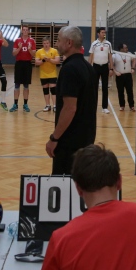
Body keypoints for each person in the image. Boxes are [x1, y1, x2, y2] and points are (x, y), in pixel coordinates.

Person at [45, 26, 97, 175]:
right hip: (87, 140)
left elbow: (70, 108)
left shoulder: (69, 69)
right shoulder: (89, 68)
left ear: (69, 43)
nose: (56, 44)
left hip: (69, 143)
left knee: (64, 183)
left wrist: (54, 138)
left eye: (58, 40)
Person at [12, 25, 37, 112]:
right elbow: (14, 53)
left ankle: (25, 104)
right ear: (22, 31)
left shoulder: (32, 41)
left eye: (27, 30)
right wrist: (19, 48)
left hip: (27, 64)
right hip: (19, 64)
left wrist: (29, 49)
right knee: (17, 85)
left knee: (26, 85)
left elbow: (34, 54)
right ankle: (15, 104)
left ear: (28, 31)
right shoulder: (17, 40)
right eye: (24, 30)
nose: (25, 31)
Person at [88, 27, 113, 114]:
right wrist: (89, 68)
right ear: (98, 33)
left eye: (104, 32)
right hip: (95, 67)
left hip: (105, 67)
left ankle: (104, 107)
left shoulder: (108, 44)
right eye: (102, 32)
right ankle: (93, 106)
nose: (104, 34)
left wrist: (111, 68)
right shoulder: (94, 44)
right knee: (95, 88)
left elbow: (110, 56)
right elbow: (91, 56)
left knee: (105, 87)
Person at [36, 36, 61, 112]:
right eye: (44, 43)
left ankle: (55, 105)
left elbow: (57, 61)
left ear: (50, 43)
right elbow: (37, 63)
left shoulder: (54, 51)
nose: (46, 45)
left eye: (47, 43)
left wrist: (49, 60)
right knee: (45, 90)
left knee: (53, 90)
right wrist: (43, 61)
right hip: (43, 74)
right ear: (42, 44)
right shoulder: (39, 52)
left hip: (52, 74)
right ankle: (47, 105)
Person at [112, 43, 136, 112]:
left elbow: (134, 59)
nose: (127, 49)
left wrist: (133, 68)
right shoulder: (115, 55)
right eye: (125, 48)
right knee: (120, 91)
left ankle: (132, 106)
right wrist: (115, 71)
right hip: (120, 76)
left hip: (128, 75)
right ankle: (122, 105)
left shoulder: (129, 54)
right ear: (121, 49)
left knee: (130, 91)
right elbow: (111, 64)